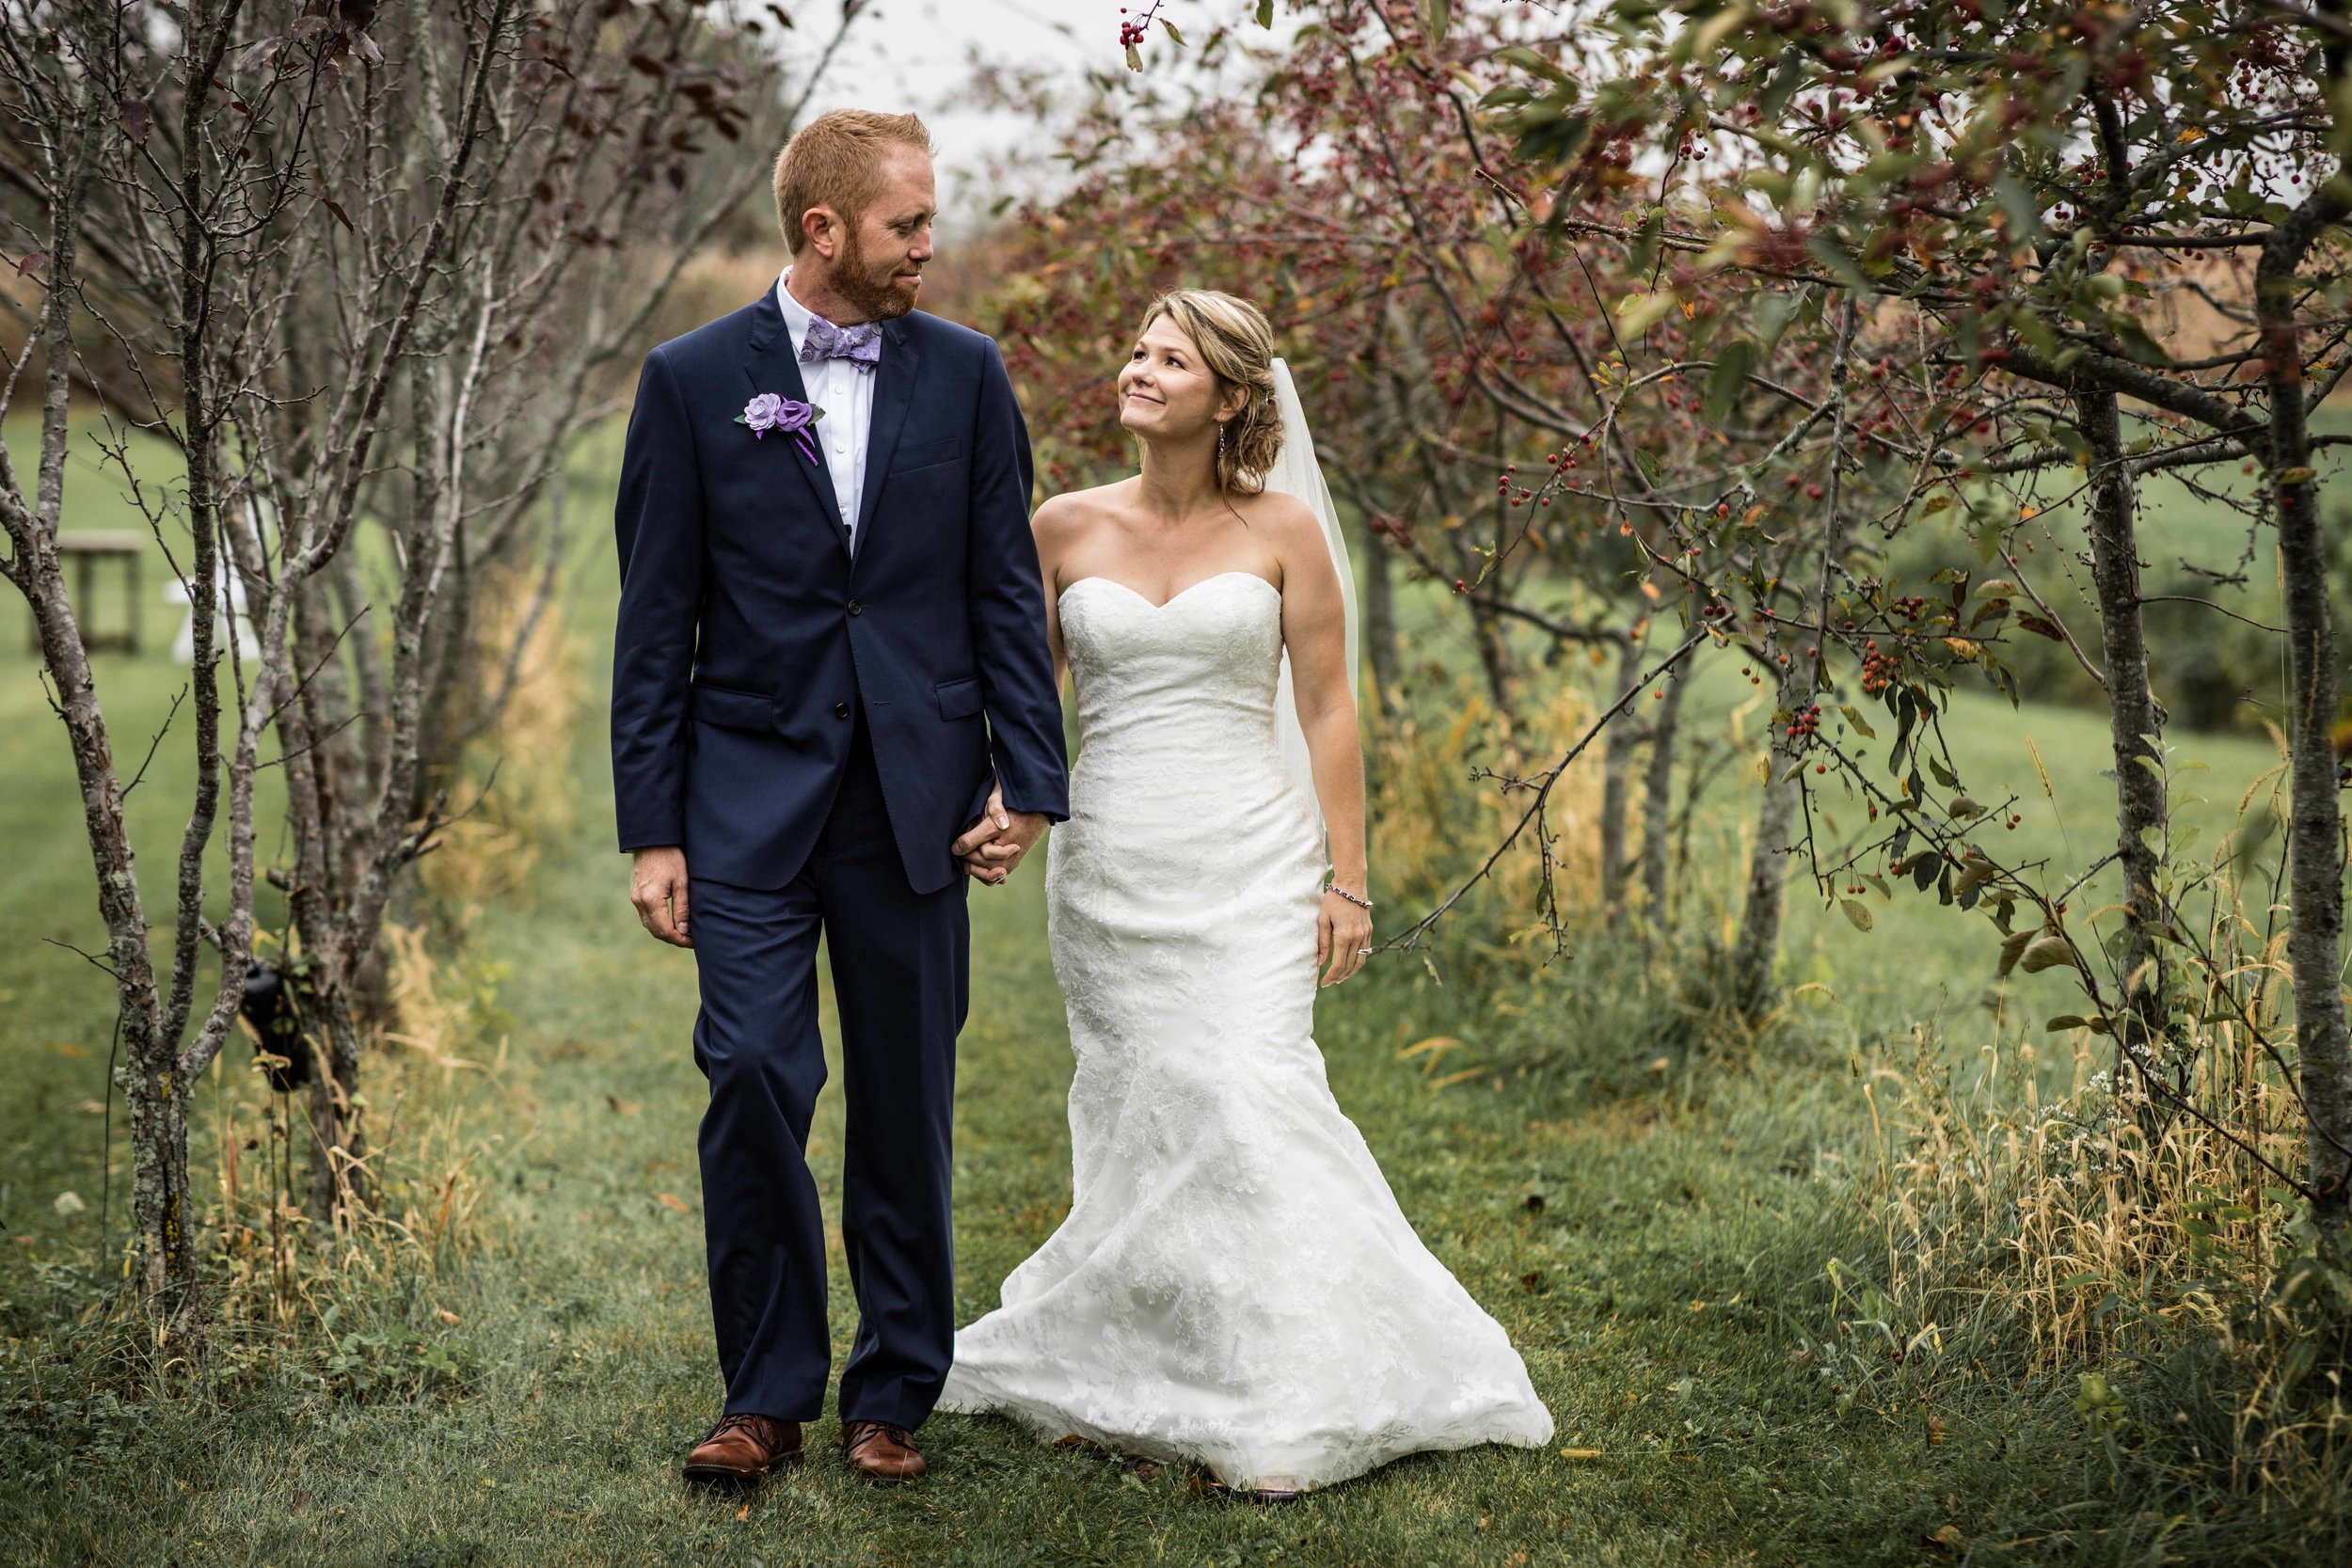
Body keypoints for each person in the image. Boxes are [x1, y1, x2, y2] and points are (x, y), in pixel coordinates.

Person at [938, 289, 1555, 1497]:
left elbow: (1326, 706)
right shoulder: (1061, 524)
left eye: (1169, 358)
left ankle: (1296, 1374)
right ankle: (1160, 1338)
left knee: (1248, 1086)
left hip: (1251, 857)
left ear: (1230, 396)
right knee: (1145, 1103)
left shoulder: (1282, 531)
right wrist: (1002, 802)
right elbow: (1024, 693)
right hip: (1113, 863)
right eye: (1135, 349)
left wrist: (1350, 880)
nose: (1138, 368)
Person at [608, 109, 1068, 1487]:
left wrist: (1026, 774)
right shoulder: (693, 380)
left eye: (928, 221)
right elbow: (655, 619)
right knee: (752, 1071)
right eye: (907, 224)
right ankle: (764, 1391)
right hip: (745, 791)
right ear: (825, 231)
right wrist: (653, 825)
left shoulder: (969, 373)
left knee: (905, 1099)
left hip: (915, 794)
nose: (931, 244)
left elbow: (1002, 587)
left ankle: (893, 1392)